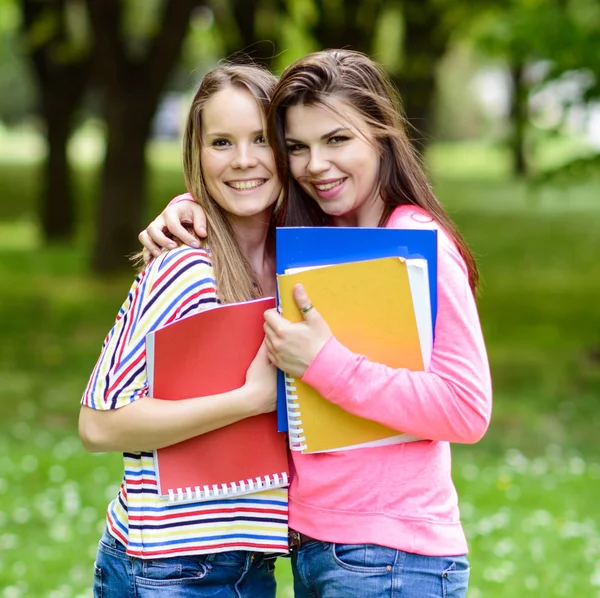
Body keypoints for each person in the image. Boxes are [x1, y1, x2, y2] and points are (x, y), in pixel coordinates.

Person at [139, 49, 492, 598]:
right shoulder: (318, 237)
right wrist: (187, 205)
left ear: (380, 134)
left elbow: (467, 410)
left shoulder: (422, 247)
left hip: (393, 556)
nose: (316, 165)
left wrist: (326, 365)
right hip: (313, 543)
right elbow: (242, 192)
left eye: (337, 140)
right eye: (297, 148)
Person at [79, 64, 288, 598]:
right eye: (221, 142)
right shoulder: (186, 267)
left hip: (246, 559)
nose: (243, 160)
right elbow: (99, 424)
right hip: (174, 568)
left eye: (261, 139)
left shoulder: (295, 267)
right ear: (196, 155)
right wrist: (249, 400)